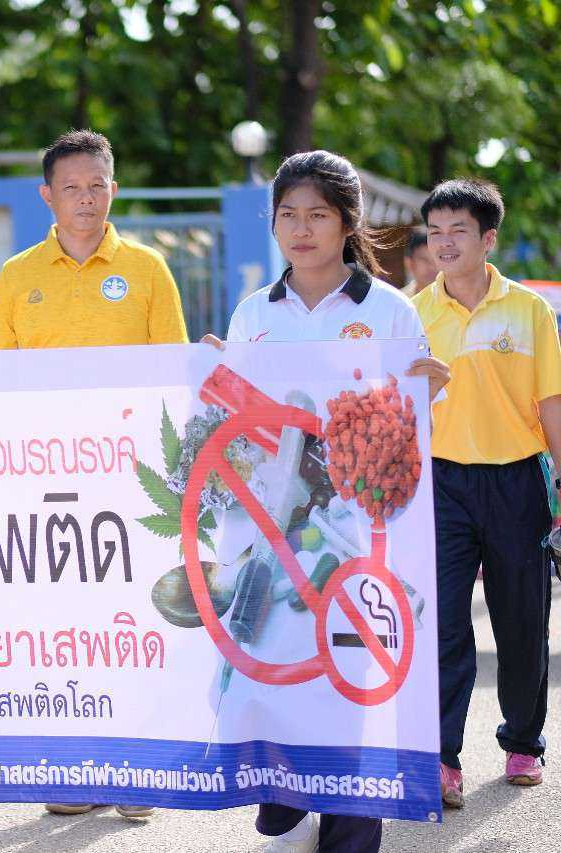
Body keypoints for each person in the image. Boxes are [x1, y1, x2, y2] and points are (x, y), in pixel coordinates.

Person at [203, 150, 449, 853]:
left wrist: (427, 391)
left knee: (350, 684)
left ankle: (349, 834)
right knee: (274, 681)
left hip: (360, 538)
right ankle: (284, 817)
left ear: (348, 223)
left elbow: (410, 430)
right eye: (288, 214)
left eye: (317, 215)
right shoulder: (254, 312)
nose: (301, 229)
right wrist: (213, 378)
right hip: (272, 537)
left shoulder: (390, 311)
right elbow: (235, 426)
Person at [0, 128, 189, 820]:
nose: (85, 199)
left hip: (131, 479)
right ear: (47, 195)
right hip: (43, 480)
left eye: (97, 186)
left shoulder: (148, 269)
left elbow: (173, 373)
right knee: (63, 623)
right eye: (71, 187)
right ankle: (74, 763)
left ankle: (137, 767)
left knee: (132, 619)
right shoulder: (17, 276)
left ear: (114, 189)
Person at [412, 178, 560, 809]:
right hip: (442, 482)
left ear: (488, 238)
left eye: (458, 231)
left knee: (521, 620)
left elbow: (551, 403)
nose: (444, 243)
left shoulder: (529, 310)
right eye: (435, 232)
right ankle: (442, 757)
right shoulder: (413, 314)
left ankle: (523, 742)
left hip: (516, 479)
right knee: (444, 624)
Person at [400, 229, 439, 297]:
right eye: (424, 259)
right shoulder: (400, 299)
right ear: (409, 262)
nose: (431, 266)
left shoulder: (456, 297)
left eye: (436, 259)